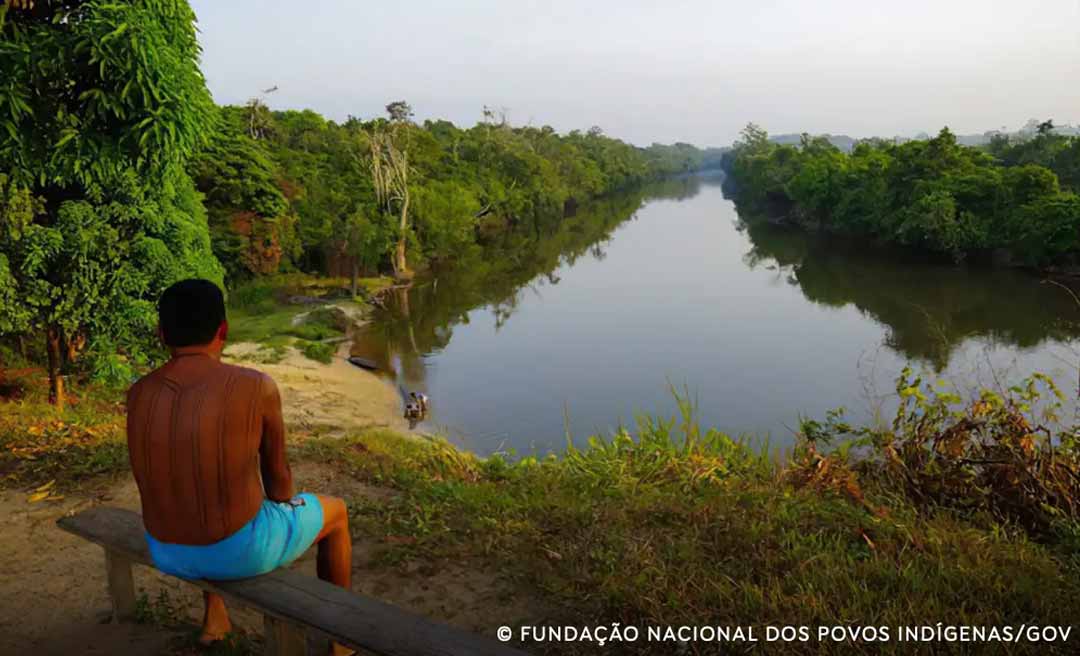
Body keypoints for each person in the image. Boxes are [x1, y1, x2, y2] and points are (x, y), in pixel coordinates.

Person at [127, 279, 353, 655]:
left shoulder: (138, 393)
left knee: (194, 487)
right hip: (240, 551)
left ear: (162, 332)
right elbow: (280, 488)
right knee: (337, 514)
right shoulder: (255, 386)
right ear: (224, 330)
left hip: (165, 550)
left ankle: (215, 617)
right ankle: (341, 641)